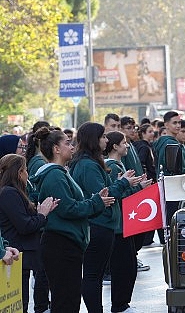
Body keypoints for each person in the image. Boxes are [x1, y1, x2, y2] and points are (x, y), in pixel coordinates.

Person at [30, 127, 114, 313]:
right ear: (56, 149)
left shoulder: (60, 172)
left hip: (68, 243)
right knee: (65, 301)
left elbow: (76, 203)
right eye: (67, 143)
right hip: (61, 244)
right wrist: (95, 202)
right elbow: (68, 208)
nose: (72, 146)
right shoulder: (54, 175)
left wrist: (95, 201)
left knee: (70, 299)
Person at [69, 122, 141, 313]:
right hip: (97, 224)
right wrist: (124, 183)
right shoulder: (88, 165)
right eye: (102, 137)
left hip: (102, 223)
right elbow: (102, 196)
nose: (106, 140)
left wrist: (121, 182)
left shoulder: (90, 162)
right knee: (93, 275)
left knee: (96, 273)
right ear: (94, 140)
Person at [0, 154, 57, 312]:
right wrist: (42, 214)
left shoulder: (12, 192)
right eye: (25, 170)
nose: (27, 174)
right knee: (19, 303)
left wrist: (40, 212)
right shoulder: (9, 193)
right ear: (19, 173)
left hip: (20, 256)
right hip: (16, 254)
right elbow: (24, 226)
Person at [104, 131, 144, 313]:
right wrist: (135, 188)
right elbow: (116, 195)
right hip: (118, 226)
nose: (127, 145)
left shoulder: (118, 165)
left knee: (129, 265)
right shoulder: (112, 167)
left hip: (123, 224)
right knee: (123, 267)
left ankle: (123, 303)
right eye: (124, 142)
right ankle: (119, 305)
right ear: (115, 146)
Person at [153, 111, 185, 244]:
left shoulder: (175, 142)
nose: (178, 126)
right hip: (173, 189)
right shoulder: (168, 144)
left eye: (179, 122)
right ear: (166, 125)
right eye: (174, 123)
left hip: (177, 188)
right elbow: (171, 169)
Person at [120, 116, 153, 273]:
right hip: (130, 193)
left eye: (134, 127)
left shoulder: (131, 145)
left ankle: (134, 256)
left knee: (140, 231)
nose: (132, 130)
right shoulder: (120, 151)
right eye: (128, 127)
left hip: (140, 191)